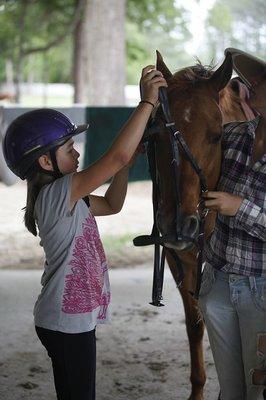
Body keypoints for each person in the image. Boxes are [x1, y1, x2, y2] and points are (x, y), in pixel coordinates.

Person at [2, 65, 167, 400]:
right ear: (46, 163)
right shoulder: (58, 194)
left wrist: (126, 166)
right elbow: (115, 155)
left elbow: (113, 203)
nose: (77, 153)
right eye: (68, 149)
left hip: (67, 320)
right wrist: (146, 103)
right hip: (65, 322)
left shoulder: (70, 198)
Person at [199, 48, 266, 399]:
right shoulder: (236, 135)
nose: (252, 84)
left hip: (262, 290)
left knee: (258, 391)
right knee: (231, 390)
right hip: (219, 284)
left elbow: (236, 207)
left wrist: (238, 207)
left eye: (262, 80)